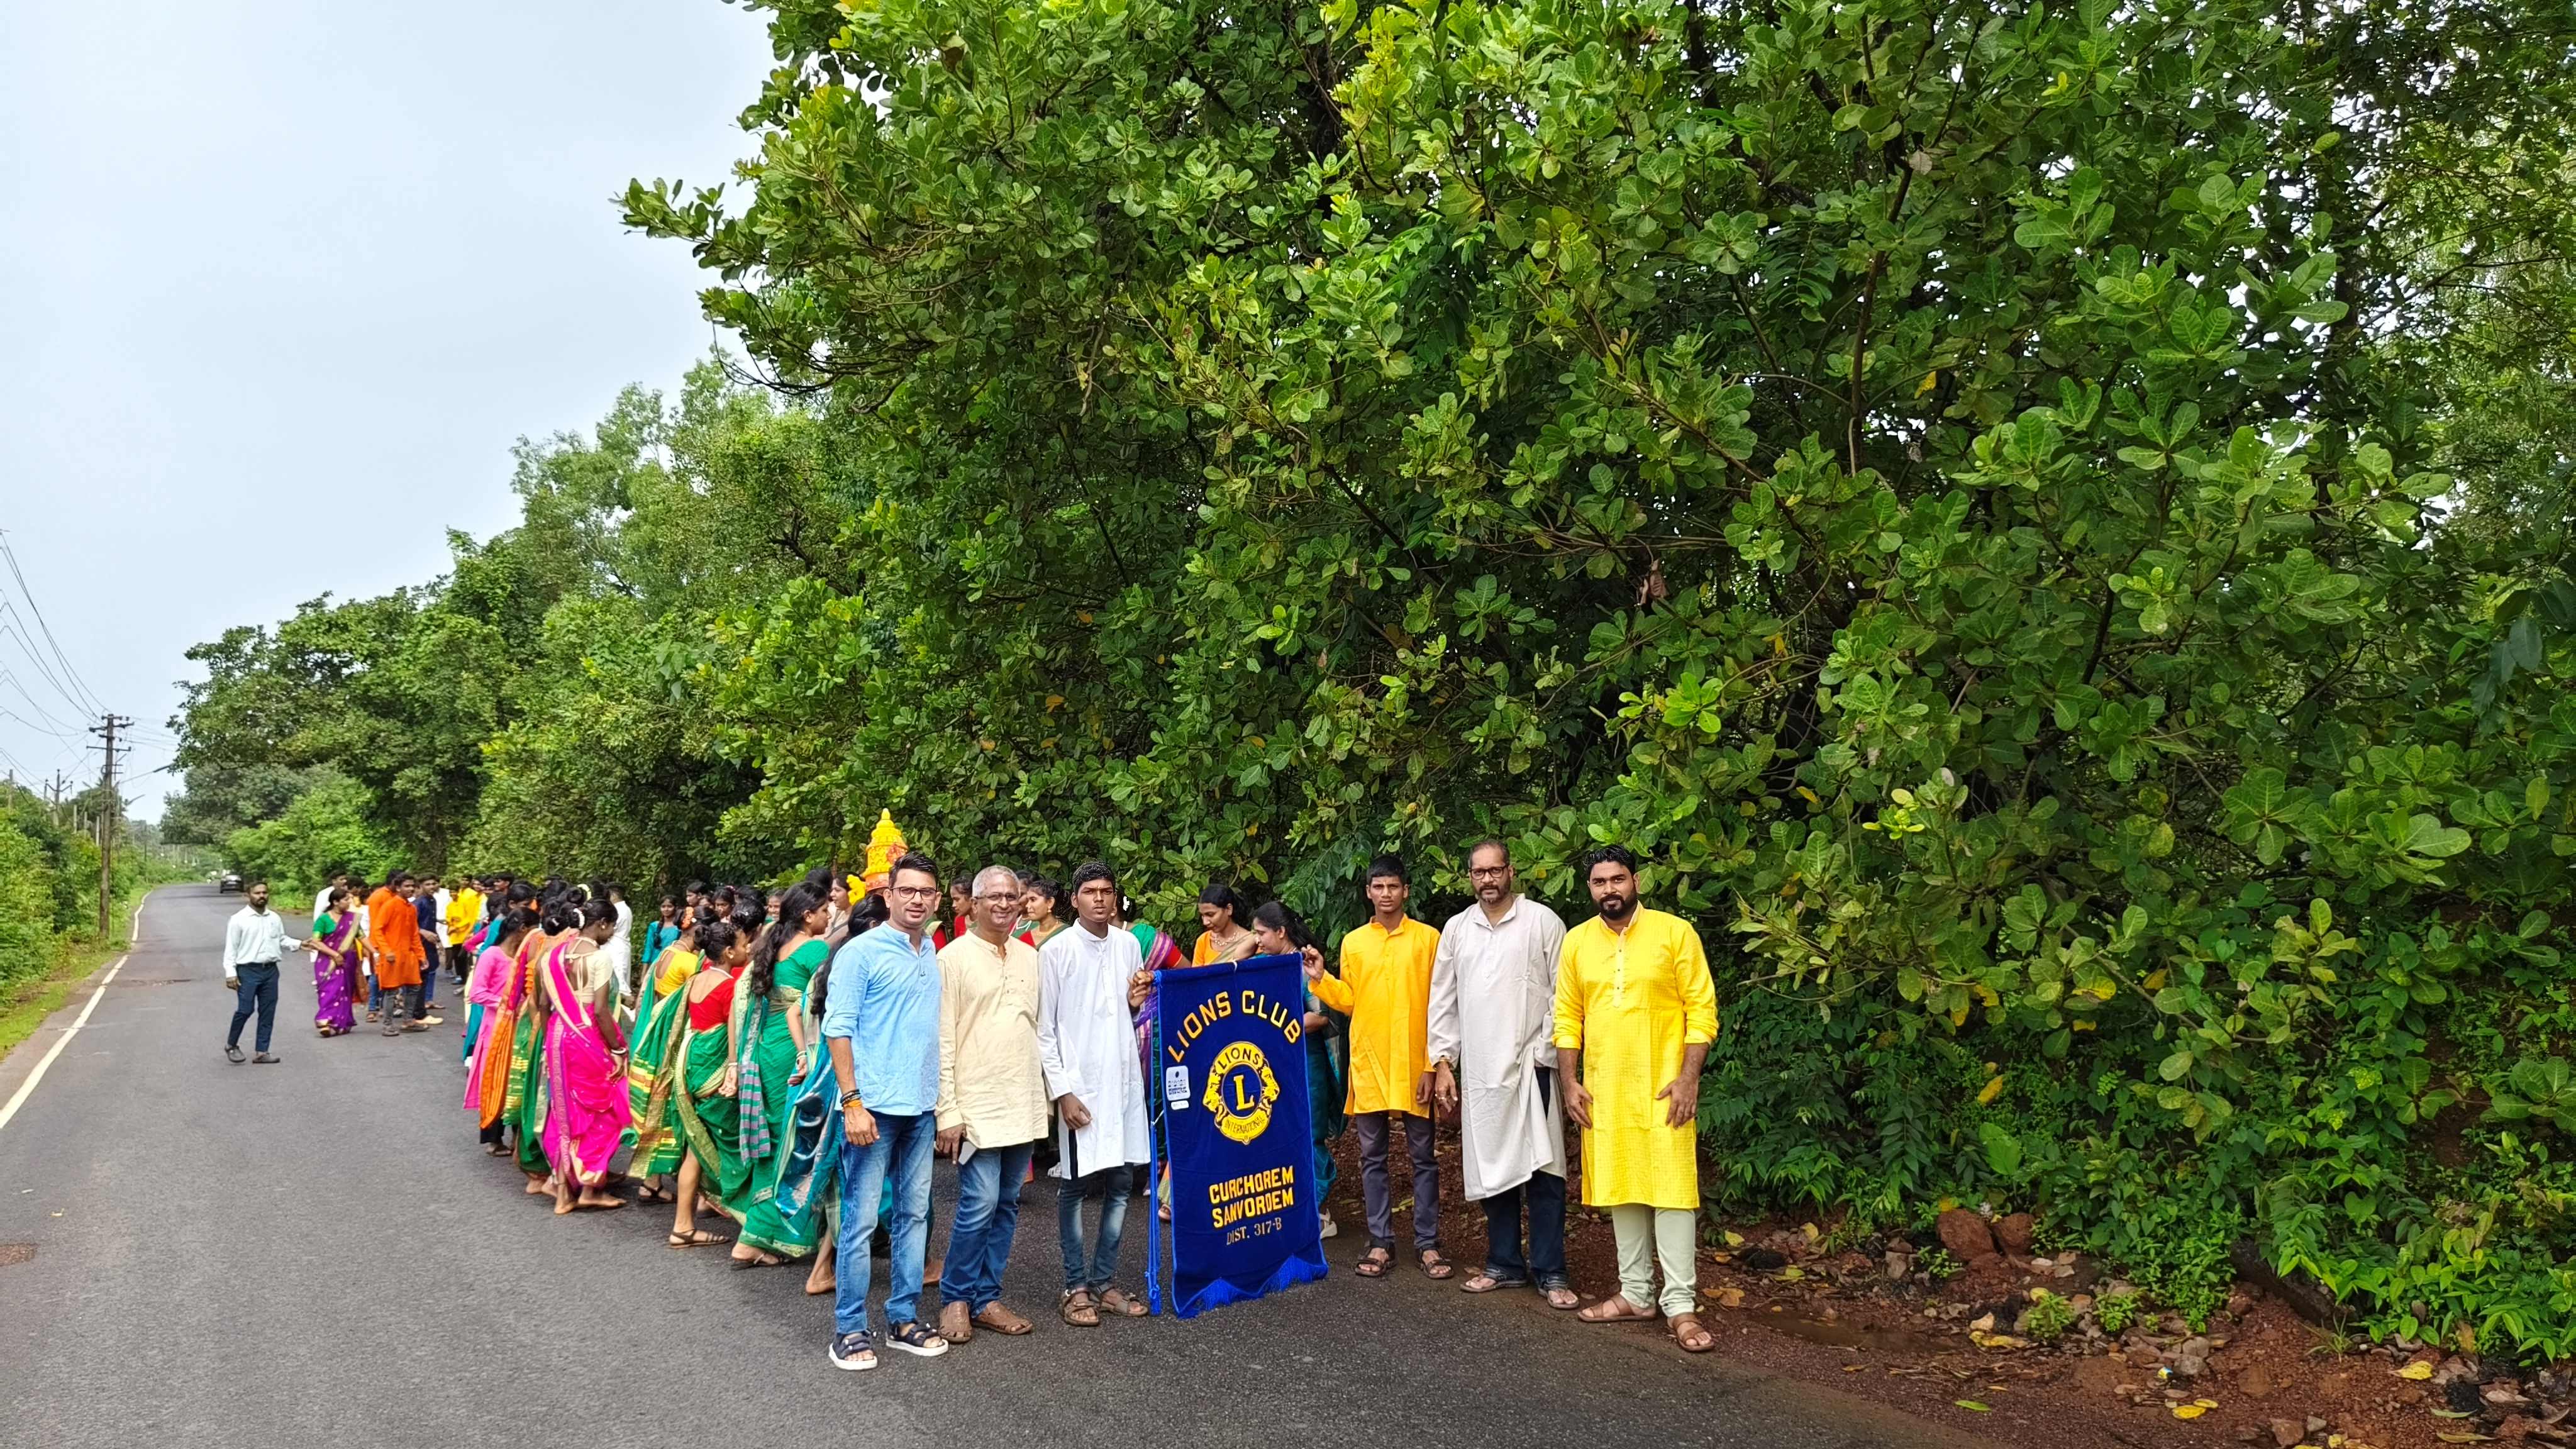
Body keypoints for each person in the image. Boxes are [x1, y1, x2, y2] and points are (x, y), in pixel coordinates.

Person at [1555, 843, 1718, 1353]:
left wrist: (1689, 1078)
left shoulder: (1675, 933)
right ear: (1590, 888)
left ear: (1636, 881)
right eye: (1601, 882)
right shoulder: (1577, 942)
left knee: (1672, 1192)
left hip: (1665, 1087)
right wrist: (1569, 1081)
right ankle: (1636, 1294)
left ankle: (1681, 1306)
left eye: (1618, 880)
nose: (1611, 890)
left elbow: (1703, 1010)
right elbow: (1566, 1016)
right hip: (1606, 1088)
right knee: (1622, 1187)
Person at [1428, 840, 1575, 1307]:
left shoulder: (1542, 922)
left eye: (1495, 871)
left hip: (1534, 1066)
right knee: (1494, 1168)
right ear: (1469, 877)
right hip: (1482, 1071)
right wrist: (1444, 1062)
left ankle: (1552, 1272)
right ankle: (1504, 1263)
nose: (1488, 880)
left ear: (1511, 872)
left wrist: (1544, 1051)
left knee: (1544, 1169)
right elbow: (1443, 1000)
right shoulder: (1457, 930)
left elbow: (1565, 994)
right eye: (1478, 872)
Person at [822, 852, 949, 1371]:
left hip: (920, 1108)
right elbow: (838, 1029)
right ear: (889, 896)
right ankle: (849, 1329)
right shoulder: (862, 952)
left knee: (914, 1216)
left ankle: (902, 1318)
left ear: (937, 900)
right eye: (908, 891)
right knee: (859, 1221)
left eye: (927, 892)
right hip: (871, 1110)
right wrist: (852, 1103)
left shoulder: (930, 952)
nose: (917, 899)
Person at [1304, 854, 1449, 1279]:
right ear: (1368, 891)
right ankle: (1380, 1242)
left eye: (1393, 887)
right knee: (1373, 1157)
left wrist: (1433, 1063)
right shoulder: (1353, 942)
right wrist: (1321, 978)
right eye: (1378, 887)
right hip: (1368, 1061)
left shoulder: (1428, 939)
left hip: (1414, 1062)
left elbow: (1439, 1005)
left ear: (1406, 891)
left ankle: (1428, 1244)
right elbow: (1351, 1001)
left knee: (1423, 1156)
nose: (1386, 894)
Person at [932, 865, 1046, 1343]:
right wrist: (948, 1111)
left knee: (1006, 1205)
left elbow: (1039, 1027)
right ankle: (956, 1298)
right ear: (974, 904)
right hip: (975, 1105)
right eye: (993, 897)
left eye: (1011, 896)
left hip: (1021, 1098)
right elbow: (940, 1038)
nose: (1003, 904)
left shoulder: (1029, 956)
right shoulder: (953, 959)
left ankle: (986, 1298)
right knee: (977, 1204)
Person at [1038, 860, 1152, 1327]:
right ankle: (1074, 1286)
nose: (1100, 899)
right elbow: (1045, 1031)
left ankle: (1104, 1282)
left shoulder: (1127, 945)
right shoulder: (1056, 951)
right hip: (1080, 1087)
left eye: (1107, 891)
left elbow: (1125, 1009)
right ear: (1074, 899)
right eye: (1090, 891)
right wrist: (1062, 1092)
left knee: (1123, 1184)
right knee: (1075, 1187)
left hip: (1122, 1081)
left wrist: (1136, 999)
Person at [734, 882, 833, 1267]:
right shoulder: (815, 950)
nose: (828, 917)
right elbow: (819, 1005)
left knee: (773, 1138)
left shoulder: (769, 946)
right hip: (794, 1051)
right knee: (793, 1142)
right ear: (809, 916)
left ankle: (761, 1236)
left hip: (764, 1049)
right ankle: (755, 1237)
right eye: (824, 911)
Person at [1251, 899, 1346, 1239]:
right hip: (1268, 1066)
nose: (1257, 939)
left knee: (1309, 1134)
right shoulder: (1260, 964)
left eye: (1262, 933)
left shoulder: (1305, 964)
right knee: (1276, 1134)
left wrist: (1275, 1027)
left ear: (1281, 931)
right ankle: (1286, 1209)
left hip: (1305, 1064)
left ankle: (1319, 1213)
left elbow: (1320, 1016)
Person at [661, 918, 750, 1248]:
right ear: (728, 951)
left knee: (696, 1150)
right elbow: (733, 1033)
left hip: (691, 1068)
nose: (747, 949)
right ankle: (753, 1225)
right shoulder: (729, 987)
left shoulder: (696, 979)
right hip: (714, 1073)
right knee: (735, 1148)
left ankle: (683, 1225)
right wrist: (733, 1068)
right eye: (742, 945)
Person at [541, 899, 631, 1214]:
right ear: (603, 924)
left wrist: (546, 1042)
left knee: (564, 1108)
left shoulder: (551, 955)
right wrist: (619, 1049)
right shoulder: (598, 958)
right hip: (586, 1037)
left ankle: (562, 1186)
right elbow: (602, 1012)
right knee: (602, 1108)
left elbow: (543, 1003)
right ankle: (590, 1187)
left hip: (556, 1036)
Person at [464, 909, 534, 1152]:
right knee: (495, 1081)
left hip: (520, 1027)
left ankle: (517, 1137)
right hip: (496, 1029)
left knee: (515, 1080)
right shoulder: (492, 955)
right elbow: (477, 993)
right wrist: (507, 1004)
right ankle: (494, 1139)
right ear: (524, 928)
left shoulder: (524, 956)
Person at [221, 880, 303, 1064]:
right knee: (245, 1009)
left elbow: (281, 939)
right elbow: (231, 949)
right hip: (247, 971)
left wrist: (300, 944)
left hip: (270, 971)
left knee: (268, 1011)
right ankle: (231, 1044)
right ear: (248, 895)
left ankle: (262, 1051)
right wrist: (230, 973)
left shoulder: (274, 918)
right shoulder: (239, 919)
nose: (261, 896)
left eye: (265, 893)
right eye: (257, 893)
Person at [368, 872, 430, 1036]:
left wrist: (421, 956)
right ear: (398, 888)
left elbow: (414, 934)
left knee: (414, 986)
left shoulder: (411, 908)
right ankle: (387, 1025)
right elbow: (378, 929)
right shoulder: (390, 905)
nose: (410, 889)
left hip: (408, 955)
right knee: (391, 990)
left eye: (412, 886)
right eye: (406, 886)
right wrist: (386, 951)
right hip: (392, 955)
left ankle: (408, 1021)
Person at [308, 884, 365, 1038]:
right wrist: (334, 954)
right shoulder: (324, 919)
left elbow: (362, 938)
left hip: (348, 960)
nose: (350, 903)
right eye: (347, 900)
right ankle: (324, 1020)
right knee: (329, 990)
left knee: (344, 990)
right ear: (336, 902)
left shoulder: (352, 919)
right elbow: (316, 941)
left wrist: (377, 953)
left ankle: (341, 1023)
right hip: (327, 961)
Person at [1191, 881, 1254, 965]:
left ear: (1229, 909)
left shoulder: (1252, 941)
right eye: (1202, 916)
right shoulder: (1203, 941)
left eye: (1210, 915)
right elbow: (1197, 976)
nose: (1205, 922)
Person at [413, 874, 445, 1023]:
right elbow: (409, 924)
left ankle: (419, 1010)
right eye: (428, 884)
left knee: (426, 975)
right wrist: (423, 932)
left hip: (429, 943)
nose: (432, 887)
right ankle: (418, 1013)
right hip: (419, 944)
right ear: (420, 887)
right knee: (420, 977)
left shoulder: (432, 901)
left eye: (434, 883)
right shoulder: (418, 903)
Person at [445, 876, 484, 985]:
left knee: (463, 956)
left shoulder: (465, 900)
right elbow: (448, 916)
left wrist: (458, 926)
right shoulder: (450, 905)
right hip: (454, 934)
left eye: (455, 892)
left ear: (459, 892)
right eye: (451, 892)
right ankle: (460, 976)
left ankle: (466, 977)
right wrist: (450, 922)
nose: (453, 894)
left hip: (464, 932)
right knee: (456, 956)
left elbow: (469, 917)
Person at [1019, 875, 1067, 950]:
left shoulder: (1067, 935)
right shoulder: (1024, 938)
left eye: (1033, 900)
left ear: (1050, 903)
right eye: (1028, 900)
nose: (1028, 905)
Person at [643, 896, 682, 968]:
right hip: (654, 965)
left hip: (672, 965)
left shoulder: (679, 928)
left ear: (676, 908)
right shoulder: (654, 926)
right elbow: (649, 949)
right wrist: (644, 974)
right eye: (663, 907)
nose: (666, 909)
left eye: (670, 906)